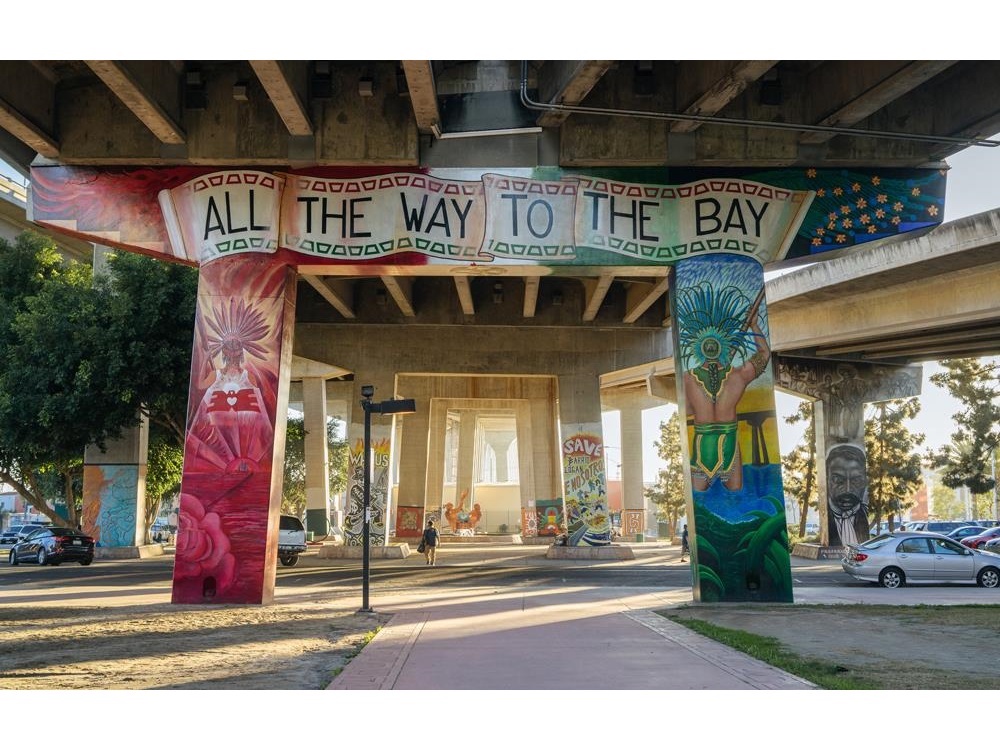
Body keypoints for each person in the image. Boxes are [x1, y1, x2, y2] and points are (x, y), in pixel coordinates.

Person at [678, 285, 770, 492]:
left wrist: (702, 405)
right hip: (729, 444)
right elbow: (764, 354)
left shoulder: (688, 379)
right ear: (724, 348)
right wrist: (754, 325)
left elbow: (687, 411)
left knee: (699, 496)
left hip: (703, 446)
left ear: (699, 348)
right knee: (735, 492)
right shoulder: (738, 375)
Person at [826, 444, 870, 547]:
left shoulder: (865, 513)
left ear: (865, 481)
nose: (848, 489)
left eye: (856, 480)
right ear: (827, 479)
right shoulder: (825, 517)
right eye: (838, 479)